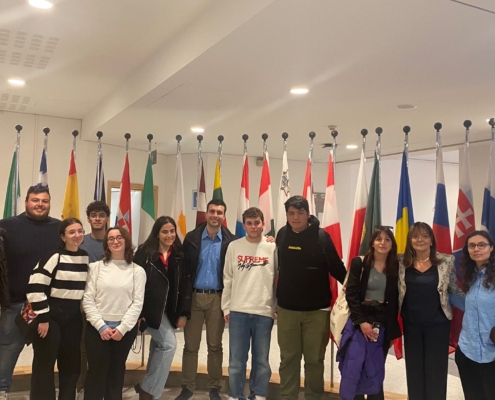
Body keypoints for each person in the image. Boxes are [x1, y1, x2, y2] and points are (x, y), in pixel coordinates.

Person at [275, 195, 346, 400]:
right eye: (291, 213)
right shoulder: (282, 235)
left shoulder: (322, 237)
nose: (295, 218)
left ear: (308, 214)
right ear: (286, 215)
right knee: (288, 359)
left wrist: (356, 290)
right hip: (287, 310)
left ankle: (313, 397)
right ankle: (288, 397)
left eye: (300, 213)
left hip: (317, 312)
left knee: (314, 360)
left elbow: (337, 269)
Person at [0, 184, 60, 397]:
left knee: (45, 357)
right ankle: (1, 391)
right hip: (16, 304)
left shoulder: (59, 228)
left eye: (44, 201)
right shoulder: (6, 226)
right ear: (26, 202)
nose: (40, 204)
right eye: (35, 200)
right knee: (7, 351)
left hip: (48, 306)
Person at [175, 199, 236, 400]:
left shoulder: (230, 241)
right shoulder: (192, 238)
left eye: (219, 212)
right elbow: (184, 272)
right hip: (194, 297)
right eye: (212, 211)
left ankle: (214, 388)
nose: (215, 215)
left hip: (217, 299)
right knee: (190, 346)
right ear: (207, 213)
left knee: (215, 346)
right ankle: (187, 386)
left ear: (224, 216)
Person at [398, 221, 464, 400]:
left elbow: (454, 290)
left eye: (425, 236)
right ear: (410, 240)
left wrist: (475, 302)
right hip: (411, 325)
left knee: (436, 371)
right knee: (414, 370)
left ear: (431, 240)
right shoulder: (401, 261)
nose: (420, 239)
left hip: (438, 325)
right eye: (415, 236)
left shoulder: (446, 261)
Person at [26, 218, 89, 400]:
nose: (77, 235)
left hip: (73, 316)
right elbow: (35, 287)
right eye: (71, 232)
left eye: (80, 231)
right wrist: (43, 318)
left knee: (71, 364)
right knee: (44, 364)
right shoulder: (54, 256)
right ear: (63, 237)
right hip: (50, 315)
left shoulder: (84, 257)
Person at [82, 226, 146, 399]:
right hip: (97, 329)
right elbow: (88, 299)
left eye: (119, 237)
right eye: (111, 238)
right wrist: (101, 326)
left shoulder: (137, 271)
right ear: (106, 243)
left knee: (116, 372)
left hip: (124, 330)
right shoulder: (95, 268)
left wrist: (122, 328)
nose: (115, 241)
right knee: (96, 372)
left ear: (126, 241)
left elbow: (137, 303)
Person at [221, 207, 278, 400]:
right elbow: (227, 278)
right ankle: (235, 395)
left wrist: (275, 305)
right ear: (244, 225)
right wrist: (226, 307)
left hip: (264, 311)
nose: (253, 227)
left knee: (261, 360)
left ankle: (259, 394)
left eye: (257, 223)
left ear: (263, 224)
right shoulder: (234, 246)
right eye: (249, 223)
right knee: (237, 360)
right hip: (238, 311)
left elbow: (278, 278)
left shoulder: (272, 247)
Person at [134, 216, 192, 400]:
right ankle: (148, 390)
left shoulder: (180, 254)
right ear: (157, 234)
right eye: (165, 231)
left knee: (159, 346)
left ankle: (147, 389)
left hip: (170, 310)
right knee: (168, 345)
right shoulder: (144, 253)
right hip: (149, 311)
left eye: (172, 231)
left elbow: (186, 285)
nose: (169, 235)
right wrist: (140, 314)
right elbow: (135, 284)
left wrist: (184, 313)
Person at [339, 227, 400, 400]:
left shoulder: (396, 266)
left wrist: (391, 331)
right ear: (372, 243)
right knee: (355, 367)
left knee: (375, 369)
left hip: (383, 321)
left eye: (387, 239)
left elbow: (395, 300)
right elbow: (351, 294)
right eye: (379, 239)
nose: (383, 243)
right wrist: (362, 322)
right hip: (361, 318)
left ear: (392, 244)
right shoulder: (360, 263)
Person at [455, 230, 495, 400]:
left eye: (481, 245)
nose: (476, 249)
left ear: (491, 248)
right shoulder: (471, 276)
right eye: (472, 246)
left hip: (491, 354)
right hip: (467, 351)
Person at [77, 201, 110, 398]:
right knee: (83, 346)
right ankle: (82, 384)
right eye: (94, 215)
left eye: (101, 215)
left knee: (105, 347)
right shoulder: (81, 242)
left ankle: (104, 384)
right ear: (88, 219)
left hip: (109, 303)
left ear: (107, 218)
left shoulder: (114, 241)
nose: (97, 219)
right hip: (84, 303)